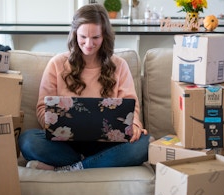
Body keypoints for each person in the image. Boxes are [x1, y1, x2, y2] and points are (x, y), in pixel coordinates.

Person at [19, 3, 150, 172]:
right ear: (74, 34)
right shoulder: (57, 64)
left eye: (95, 37)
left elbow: (132, 107)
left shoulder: (119, 65)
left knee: (146, 143)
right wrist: (52, 125)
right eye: (83, 37)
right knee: (28, 140)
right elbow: (42, 107)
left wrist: (136, 126)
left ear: (104, 37)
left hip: (108, 144)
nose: (88, 44)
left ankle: (72, 167)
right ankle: (92, 164)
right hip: (65, 144)